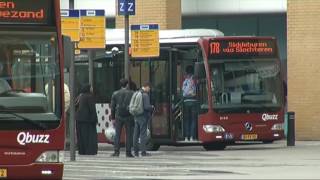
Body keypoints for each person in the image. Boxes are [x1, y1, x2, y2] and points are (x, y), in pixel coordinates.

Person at [110, 78, 135, 157]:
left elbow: (112, 107)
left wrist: (113, 117)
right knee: (129, 134)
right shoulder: (132, 93)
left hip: (118, 116)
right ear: (127, 84)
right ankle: (128, 152)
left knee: (117, 134)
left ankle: (116, 151)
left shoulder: (115, 93)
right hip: (129, 115)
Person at [75, 84, 98, 155]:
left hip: (79, 119)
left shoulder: (80, 96)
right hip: (88, 120)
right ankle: (89, 151)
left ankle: (82, 150)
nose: (92, 89)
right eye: (91, 87)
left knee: (81, 136)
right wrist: (95, 119)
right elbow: (92, 109)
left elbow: (75, 106)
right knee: (89, 136)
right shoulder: (89, 97)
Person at [133, 82, 154, 157]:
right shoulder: (145, 95)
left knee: (135, 134)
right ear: (147, 87)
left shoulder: (136, 93)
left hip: (136, 116)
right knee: (143, 134)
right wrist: (152, 107)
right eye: (149, 88)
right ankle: (143, 152)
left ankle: (135, 152)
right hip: (143, 117)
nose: (149, 89)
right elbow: (146, 107)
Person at [182, 65, 198, 141]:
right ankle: (192, 136)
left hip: (186, 102)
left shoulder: (185, 81)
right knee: (193, 120)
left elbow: (184, 93)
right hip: (193, 101)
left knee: (186, 120)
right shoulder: (194, 80)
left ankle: (186, 137)